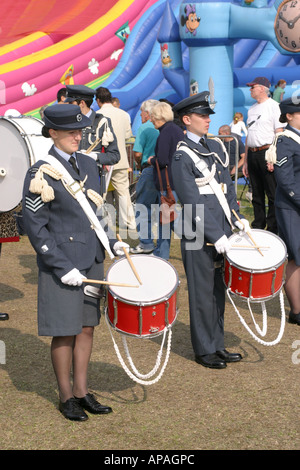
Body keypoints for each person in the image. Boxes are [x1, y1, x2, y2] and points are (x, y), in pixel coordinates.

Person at [22, 104, 128, 421]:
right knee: (64, 331)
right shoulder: (39, 172)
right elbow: (35, 226)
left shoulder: (87, 163)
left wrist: (112, 242)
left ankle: (82, 391)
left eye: (80, 131)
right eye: (70, 131)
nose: (77, 137)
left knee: (86, 328)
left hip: (92, 260)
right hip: (64, 265)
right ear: (52, 132)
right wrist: (61, 266)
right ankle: (66, 396)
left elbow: (97, 212)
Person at [172, 91, 248, 369]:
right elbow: (191, 202)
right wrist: (216, 236)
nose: (207, 120)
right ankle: (204, 349)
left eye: (208, 116)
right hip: (198, 235)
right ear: (187, 119)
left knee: (218, 290)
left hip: (222, 232)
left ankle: (217, 344)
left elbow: (226, 189)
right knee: (202, 292)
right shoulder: (182, 156)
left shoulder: (214, 148)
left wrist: (237, 219)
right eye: (202, 116)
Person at [243, 76, 284, 234]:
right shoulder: (252, 108)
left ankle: (272, 228)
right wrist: (246, 160)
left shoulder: (274, 106)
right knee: (256, 194)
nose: (250, 89)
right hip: (253, 153)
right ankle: (258, 226)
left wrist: (273, 157)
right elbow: (249, 136)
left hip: (267, 152)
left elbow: (278, 133)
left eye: (253, 87)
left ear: (262, 88)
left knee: (272, 193)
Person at [271, 96, 300, 326]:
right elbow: (285, 180)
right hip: (291, 206)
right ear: (289, 116)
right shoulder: (285, 140)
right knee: (296, 257)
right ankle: (296, 310)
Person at [64, 85, 120, 195]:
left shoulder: (101, 122)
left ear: (82, 103)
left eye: (72, 103)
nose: (68, 106)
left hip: (92, 181)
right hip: (70, 180)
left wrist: (95, 157)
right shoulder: (69, 122)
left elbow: (114, 156)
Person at [96, 87, 136, 231]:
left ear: (98, 100)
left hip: (103, 160)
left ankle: (104, 223)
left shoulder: (97, 115)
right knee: (123, 193)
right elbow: (127, 136)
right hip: (120, 159)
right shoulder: (124, 114)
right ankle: (130, 224)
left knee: (101, 193)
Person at [150, 101, 185, 260]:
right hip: (176, 180)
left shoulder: (165, 133)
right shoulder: (177, 129)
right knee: (167, 219)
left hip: (166, 183)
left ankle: (194, 242)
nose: (151, 120)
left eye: (153, 116)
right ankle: (161, 253)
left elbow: (162, 159)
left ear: (159, 117)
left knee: (169, 220)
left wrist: (151, 160)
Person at [130, 99, 160, 254]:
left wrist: (138, 163)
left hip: (148, 170)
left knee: (143, 208)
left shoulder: (144, 127)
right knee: (163, 210)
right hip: (164, 171)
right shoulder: (165, 127)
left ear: (147, 113)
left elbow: (137, 153)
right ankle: (161, 246)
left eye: (141, 111)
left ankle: (146, 243)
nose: (140, 114)